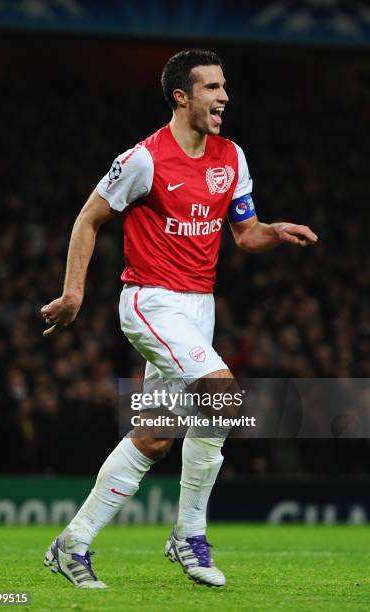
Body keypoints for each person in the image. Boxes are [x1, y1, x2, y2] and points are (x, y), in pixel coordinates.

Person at [41, 49, 318, 589]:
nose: (224, 97)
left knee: (155, 436)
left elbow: (245, 231)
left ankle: (70, 544)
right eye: (212, 88)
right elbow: (88, 218)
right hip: (150, 300)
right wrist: (74, 291)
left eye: (224, 87)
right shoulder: (143, 159)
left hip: (199, 306)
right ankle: (189, 532)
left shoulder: (231, 157)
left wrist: (275, 230)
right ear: (182, 97)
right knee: (223, 394)